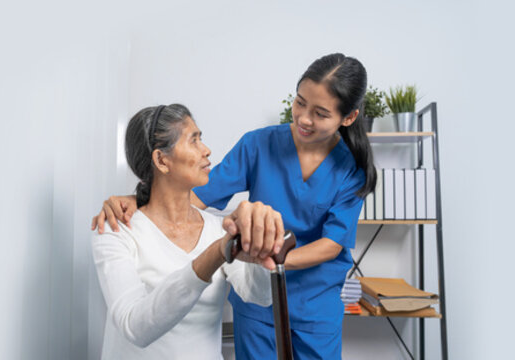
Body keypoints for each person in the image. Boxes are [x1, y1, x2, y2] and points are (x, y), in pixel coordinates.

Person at [91, 53, 376, 360]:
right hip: (256, 308)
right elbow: (197, 195)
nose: (304, 118)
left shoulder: (351, 168)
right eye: (299, 102)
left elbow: (331, 245)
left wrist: (268, 257)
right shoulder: (259, 145)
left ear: (347, 118)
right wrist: (140, 199)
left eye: (320, 113)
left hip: (313, 305)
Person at [92, 104, 287, 360]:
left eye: (201, 138)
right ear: (162, 160)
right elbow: (134, 326)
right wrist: (215, 254)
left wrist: (261, 256)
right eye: (193, 141)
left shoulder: (219, 228)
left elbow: (258, 295)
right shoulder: (116, 230)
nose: (206, 150)